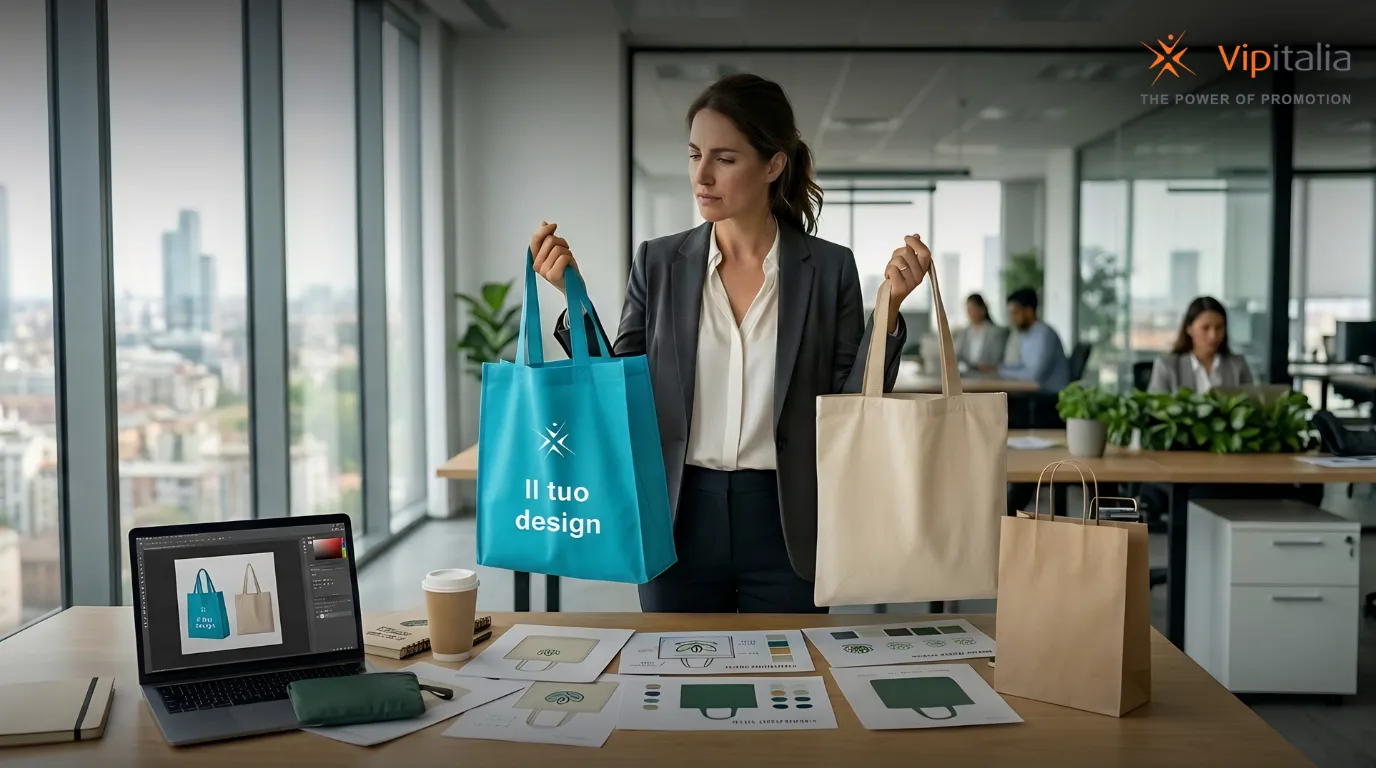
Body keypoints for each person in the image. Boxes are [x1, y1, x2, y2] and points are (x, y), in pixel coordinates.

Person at [528, 73, 931, 614]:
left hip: (790, 522)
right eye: (695, 154)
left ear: (773, 165)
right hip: (678, 516)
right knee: (673, 688)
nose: (702, 175)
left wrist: (887, 311)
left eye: (725, 158)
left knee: (795, 686)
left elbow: (851, 406)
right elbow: (621, 393)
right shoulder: (658, 262)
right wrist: (572, 298)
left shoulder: (829, 268)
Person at [1147, 296, 1252, 394]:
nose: (1213, 336)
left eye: (1219, 328)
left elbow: (1252, 405)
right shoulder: (1168, 367)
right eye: (1205, 328)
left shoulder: (1237, 366)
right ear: (1189, 329)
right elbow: (1154, 408)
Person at [978, 288, 1070, 392]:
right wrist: (997, 369)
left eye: (1015, 313)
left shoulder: (1043, 335)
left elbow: (1032, 375)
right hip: (1035, 392)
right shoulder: (1028, 334)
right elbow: (1023, 365)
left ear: (1029, 311)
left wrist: (1000, 372)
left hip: (1047, 396)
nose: (1011, 318)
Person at [954, 293, 1010, 369]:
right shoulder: (963, 333)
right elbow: (956, 355)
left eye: (973, 309)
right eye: (968, 309)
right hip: (966, 375)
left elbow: (997, 358)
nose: (970, 313)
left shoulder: (997, 333)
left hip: (989, 376)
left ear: (982, 309)